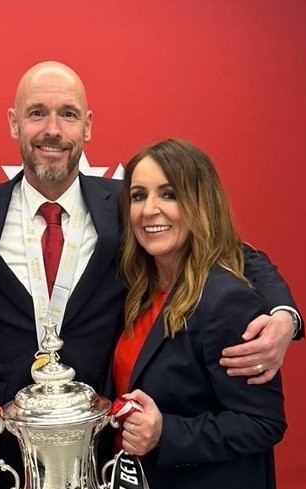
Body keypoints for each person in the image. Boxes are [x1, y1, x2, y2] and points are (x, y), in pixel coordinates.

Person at [0, 63, 301, 480]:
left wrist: (284, 314)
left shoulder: (127, 205)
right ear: (14, 122)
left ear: (87, 126)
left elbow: (226, 249)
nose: (52, 129)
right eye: (37, 113)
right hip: (0, 454)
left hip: (102, 451)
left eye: (68, 114)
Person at [113, 139, 286, 488]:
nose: (149, 210)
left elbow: (263, 423)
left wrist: (165, 433)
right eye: (138, 196)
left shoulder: (227, 302)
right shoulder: (137, 289)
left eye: (169, 194)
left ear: (200, 203)